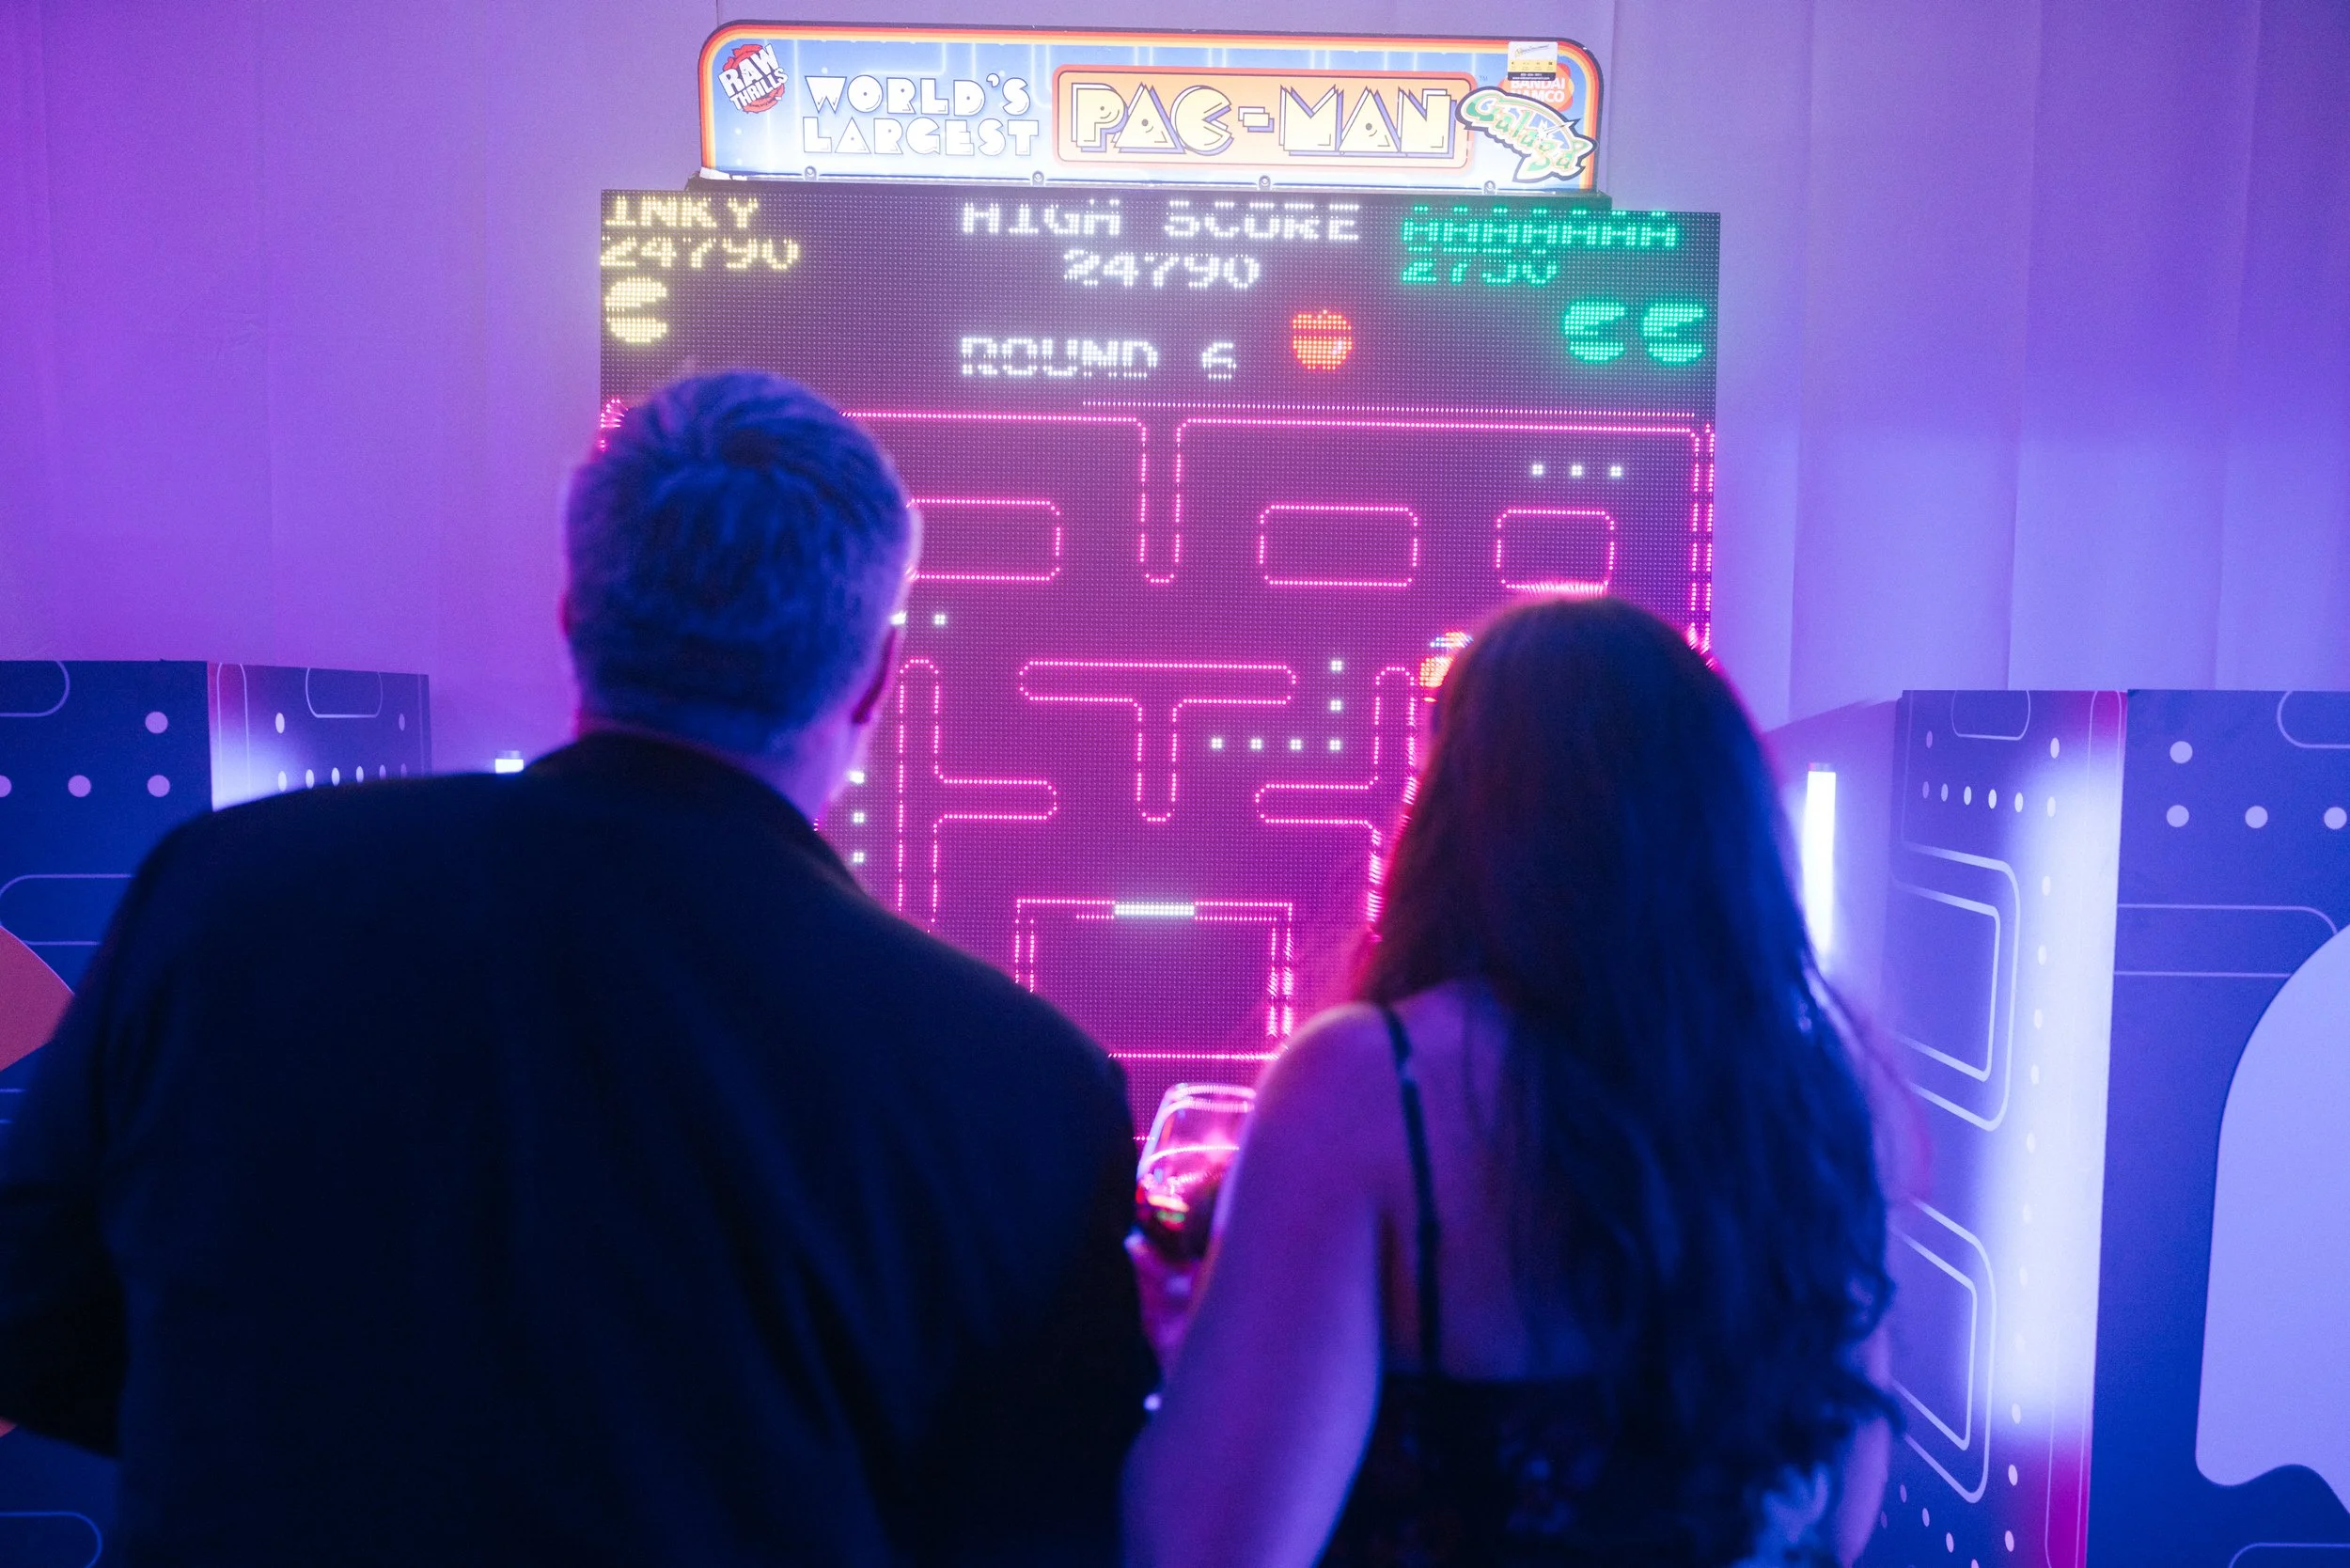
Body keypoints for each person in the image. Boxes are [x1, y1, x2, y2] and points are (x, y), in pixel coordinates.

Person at [0, 372, 1155, 1565]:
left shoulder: (222, 892)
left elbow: (34, 1328)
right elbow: (1035, 1519)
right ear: (876, 674)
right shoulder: (1022, 1082)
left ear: (575, 615)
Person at [1126, 598, 1899, 1568]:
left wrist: (1202, 1358)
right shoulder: (1817, 1095)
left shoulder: (1373, 1083)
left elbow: (1210, 1551)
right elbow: (1838, 1519)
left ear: (1461, 814)